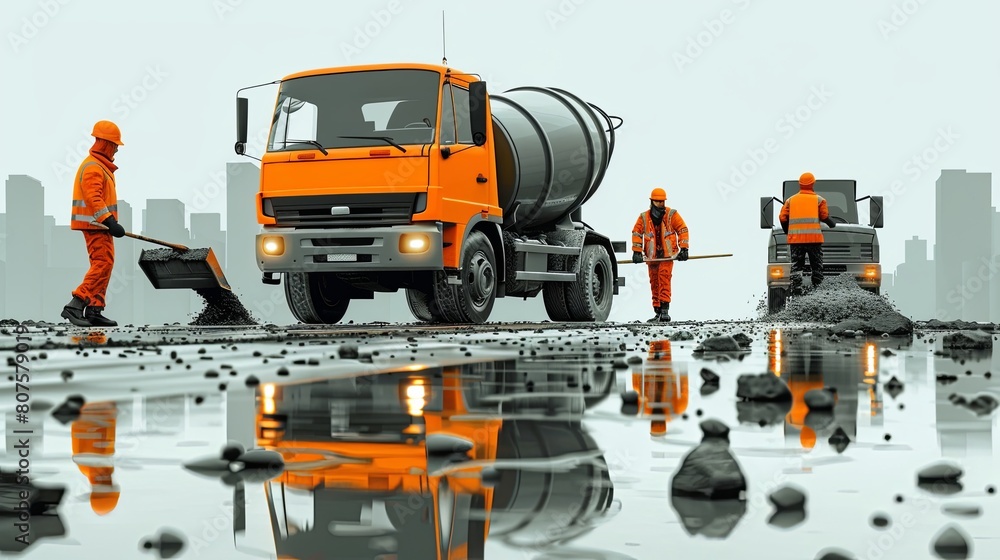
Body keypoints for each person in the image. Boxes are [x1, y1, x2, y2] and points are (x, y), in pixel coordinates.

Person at [61, 121, 126, 327]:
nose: (116, 148)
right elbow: (94, 199)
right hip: (95, 224)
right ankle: (76, 303)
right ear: (105, 143)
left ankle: (94, 309)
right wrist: (110, 221)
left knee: (105, 264)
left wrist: (109, 223)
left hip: (100, 225)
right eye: (115, 144)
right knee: (102, 263)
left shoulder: (100, 166)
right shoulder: (93, 167)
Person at [631, 188, 689, 322]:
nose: (660, 204)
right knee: (654, 283)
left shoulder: (671, 215)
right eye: (657, 201)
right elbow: (636, 233)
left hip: (667, 256)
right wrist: (636, 252)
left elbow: (682, 229)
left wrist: (684, 248)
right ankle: (657, 312)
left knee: (664, 279)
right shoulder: (644, 217)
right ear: (652, 202)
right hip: (652, 257)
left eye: (662, 201)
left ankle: (664, 311)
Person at [778, 172, 836, 296]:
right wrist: (832, 224)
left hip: (796, 241)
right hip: (814, 241)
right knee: (816, 267)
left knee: (797, 267)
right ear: (813, 184)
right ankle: (818, 291)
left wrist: (787, 231)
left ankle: (796, 292)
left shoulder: (790, 200)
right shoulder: (819, 200)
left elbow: (783, 217)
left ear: (800, 184)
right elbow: (824, 216)